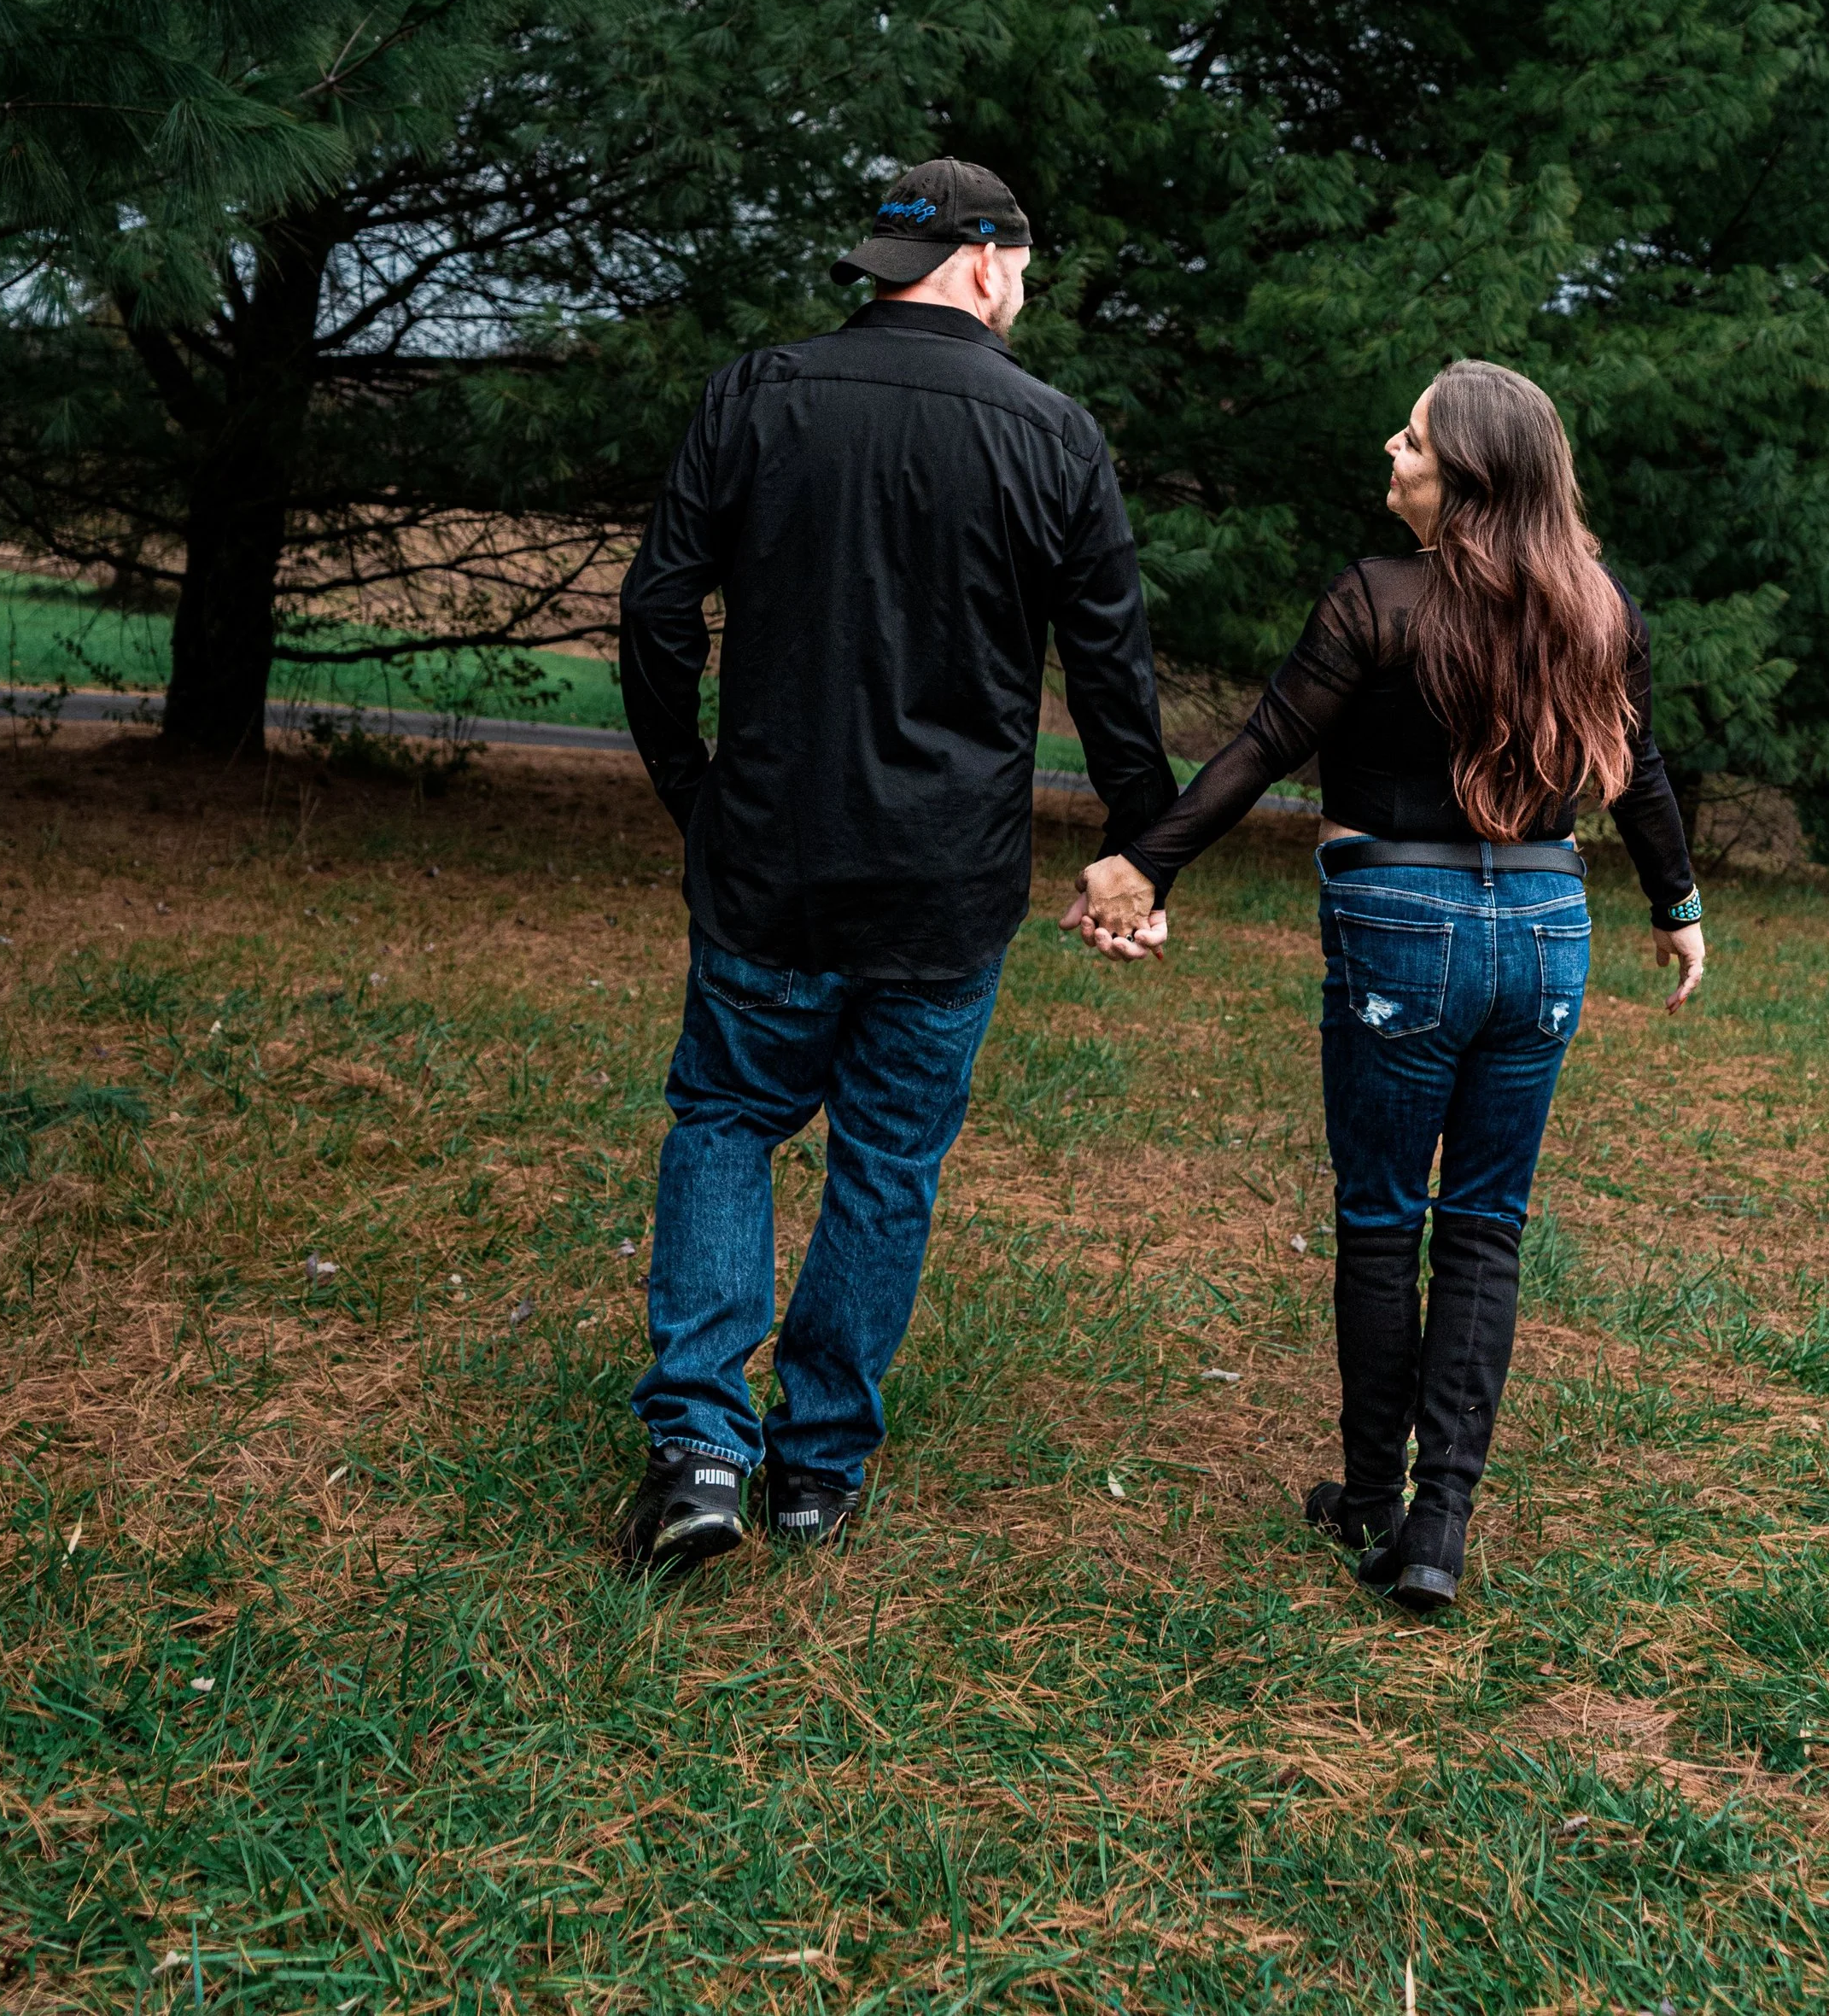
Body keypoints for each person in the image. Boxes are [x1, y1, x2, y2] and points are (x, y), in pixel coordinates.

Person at [616, 157, 1178, 1575]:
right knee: (886, 1157)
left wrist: (698, 790)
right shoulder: (1055, 435)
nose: (1026, 293)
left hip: (769, 856)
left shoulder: (758, 393)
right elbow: (1114, 671)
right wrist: (1138, 846)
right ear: (985, 264)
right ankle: (812, 1469)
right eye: (1026, 270)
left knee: (730, 1119)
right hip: (945, 879)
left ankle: (698, 1446)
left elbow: (655, 612)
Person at [1069, 359, 1706, 1611]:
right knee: (1483, 1224)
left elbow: (1261, 747)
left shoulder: (1377, 598)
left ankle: (1372, 1494)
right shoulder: (1597, 604)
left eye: (1411, 438)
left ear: (1462, 476)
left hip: (1396, 927)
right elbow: (1641, 767)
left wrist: (1144, 867)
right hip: (1543, 930)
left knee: (1379, 1214)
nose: (1391, 448)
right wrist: (1677, 905)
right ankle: (1438, 1527)